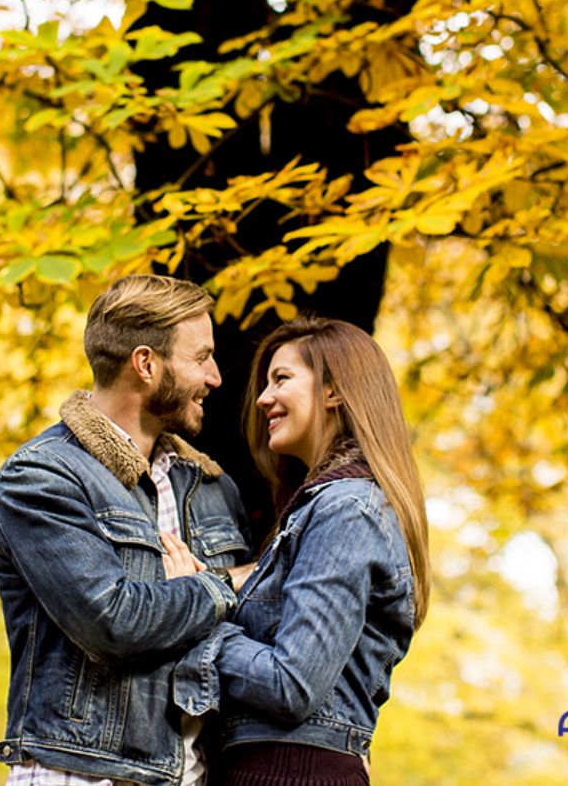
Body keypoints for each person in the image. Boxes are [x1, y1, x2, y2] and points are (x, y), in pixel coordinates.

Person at [0, 275, 255, 786]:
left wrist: (187, 599)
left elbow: (250, 632)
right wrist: (223, 584)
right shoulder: (43, 478)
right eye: (201, 358)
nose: (217, 377)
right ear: (146, 364)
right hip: (83, 773)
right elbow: (113, 622)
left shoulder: (213, 489)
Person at [173, 317, 431, 785]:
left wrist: (193, 619)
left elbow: (291, 684)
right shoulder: (318, 509)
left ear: (334, 391)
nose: (263, 399)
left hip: (292, 771)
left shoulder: (347, 509)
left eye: (282, 379)